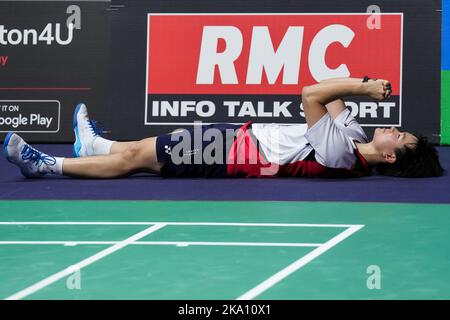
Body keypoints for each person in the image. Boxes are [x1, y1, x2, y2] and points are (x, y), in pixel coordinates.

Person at [2, 77, 444, 179]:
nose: (396, 129)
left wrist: (365, 88)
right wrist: (358, 86)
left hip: (235, 152)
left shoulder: (340, 154)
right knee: (148, 148)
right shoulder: (353, 134)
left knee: (140, 160)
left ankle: (48, 166)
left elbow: (312, 93)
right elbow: (334, 94)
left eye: (399, 137)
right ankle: (93, 143)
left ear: (390, 156)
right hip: (240, 137)